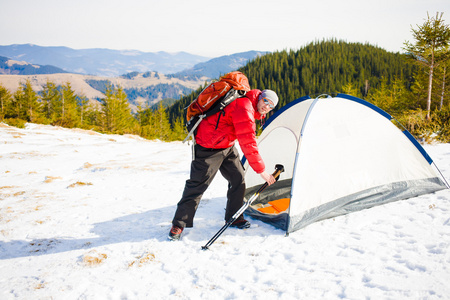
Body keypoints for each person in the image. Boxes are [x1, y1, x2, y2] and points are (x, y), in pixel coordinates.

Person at [168, 89, 279, 240]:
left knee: (237, 179)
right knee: (197, 185)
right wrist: (262, 172)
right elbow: (248, 142)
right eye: (266, 101)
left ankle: (234, 217)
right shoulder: (245, 106)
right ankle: (179, 224)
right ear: (260, 97)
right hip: (208, 146)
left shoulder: (251, 106)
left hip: (226, 145)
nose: (267, 107)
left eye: (271, 106)